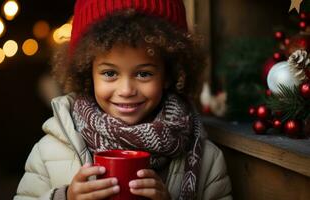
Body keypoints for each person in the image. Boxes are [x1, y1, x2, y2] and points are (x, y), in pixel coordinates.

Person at [14, 0, 232, 199]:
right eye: (110, 73)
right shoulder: (50, 152)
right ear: (87, 73)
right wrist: (65, 197)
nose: (126, 90)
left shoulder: (207, 161)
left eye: (143, 73)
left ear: (169, 75)